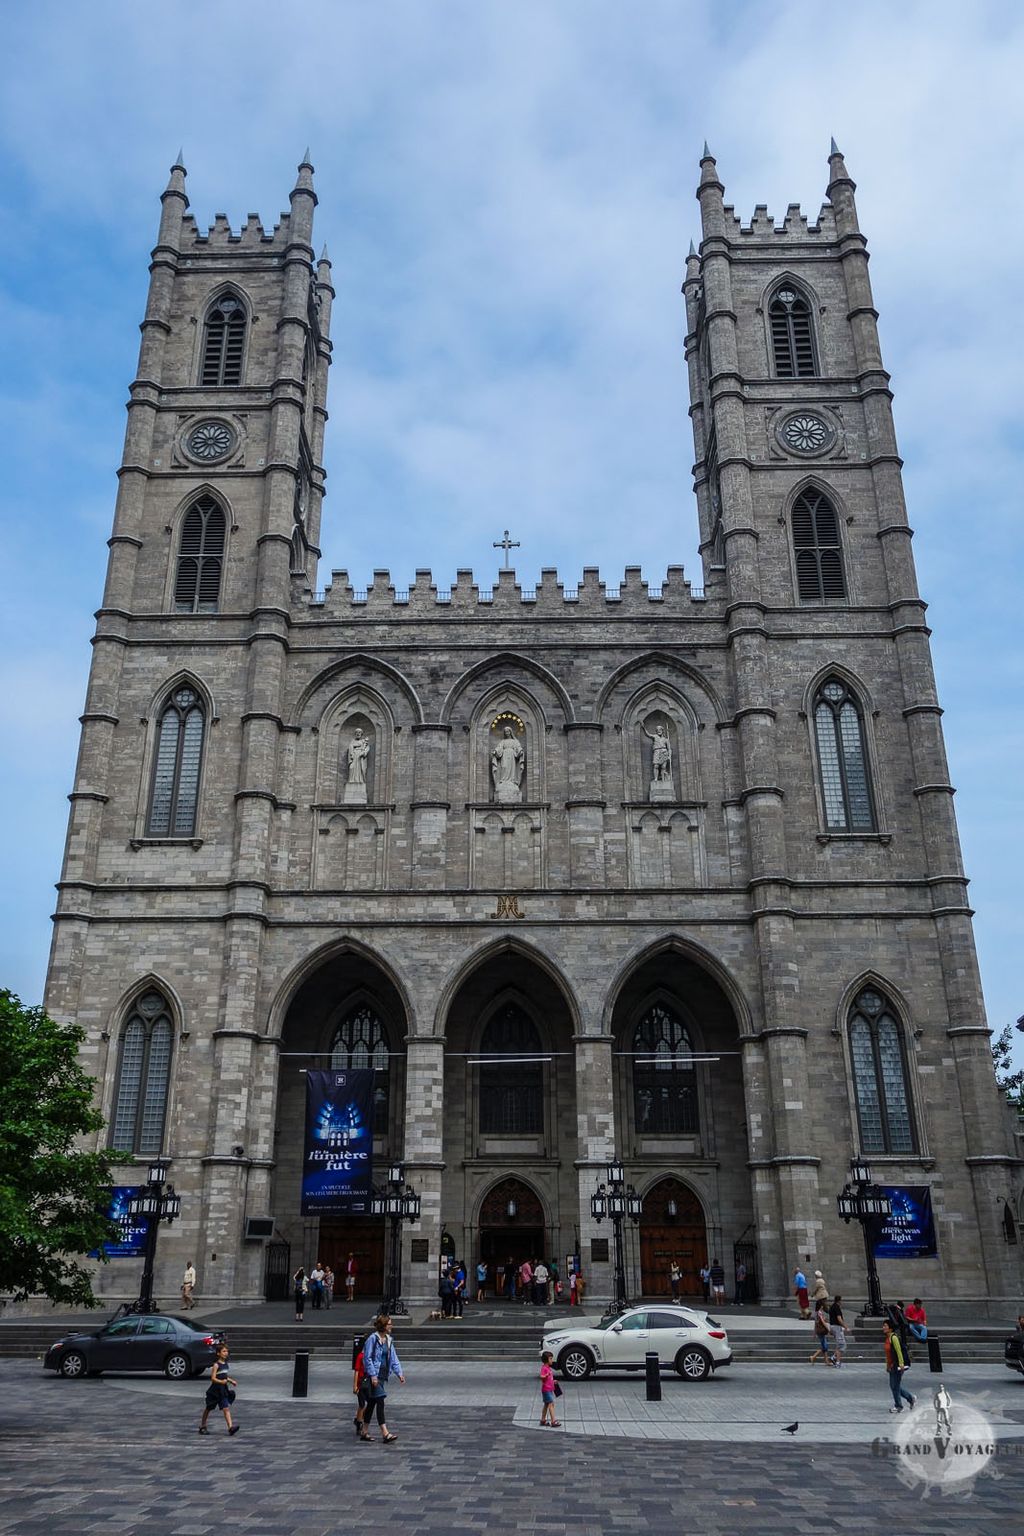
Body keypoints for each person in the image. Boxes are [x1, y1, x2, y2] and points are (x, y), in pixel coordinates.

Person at [362, 1314, 405, 1443]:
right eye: (389, 1324)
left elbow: (393, 1358)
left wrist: (399, 1373)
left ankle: (364, 1430)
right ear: (384, 1326)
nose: (391, 1326)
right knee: (380, 1400)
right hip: (374, 1376)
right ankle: (385, 1433)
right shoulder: (372, 1339)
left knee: (372, 1403)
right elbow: (367, 1358)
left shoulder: (389, 1340)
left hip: (383, 1376)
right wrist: (373, 1375)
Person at [199, 1343, 239, 1436]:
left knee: (226, 1408)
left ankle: (230, 1427)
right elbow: (213, 1378)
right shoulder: (216, 1365)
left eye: (226, 1351)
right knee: (208, 1408)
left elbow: (224, 1375)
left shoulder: (225, 1364)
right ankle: (203, 1426)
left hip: (223, 1390)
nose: (226, 1353)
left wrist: (231, 1381)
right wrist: (221, 1382)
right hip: (215, 1391)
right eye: (224, 1351)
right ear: (218, 1353)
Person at [883, 1319, 917, 1414]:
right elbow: (888, 1354)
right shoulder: (888, 1338)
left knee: (895, 1386)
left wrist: (901, 1364)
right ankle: (910, 1398)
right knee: (894, 1386)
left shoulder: (894, 1338)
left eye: (885, 1326)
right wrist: (888, 1365)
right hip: (892, 1366)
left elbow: (899, 1351)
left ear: (890, 1328)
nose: (883, 1327)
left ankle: (899, 1406)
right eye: (883, 1326)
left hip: (897, 1366)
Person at [352, 1337, 373, 1441]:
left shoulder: (369, 1356)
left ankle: (358, 1419)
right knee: (362, 1404)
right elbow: (356, 1371)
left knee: (369, 1403)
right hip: (361, 1383)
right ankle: (359, 1423)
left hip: (368, 1383)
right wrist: (355, 1385)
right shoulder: (361, 1356)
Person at [809, 1299, 837, 1365]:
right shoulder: (819, 1312)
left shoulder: (817, 1313)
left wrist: (814, 1332)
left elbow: (816, 1324)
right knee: (824, 1347)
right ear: (821, 1306)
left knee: (824, 1346)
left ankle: (826, 1361)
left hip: (819, 1331)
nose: (823, 1306)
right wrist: (829, 1329)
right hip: (821, 1331)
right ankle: (813, 1356)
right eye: (822, 1305)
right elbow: (823, 1322)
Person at [539, 1350, 561, 1428]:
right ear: (546, 1360)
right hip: (546, 1390)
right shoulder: (544, 1368)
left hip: (549, 1389)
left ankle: (543, 1420)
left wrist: (553, 1381)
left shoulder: (548, 1368)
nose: (552, 1360)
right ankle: (553, 1421)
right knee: (551, 1404)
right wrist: (546, 1375)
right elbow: (542, 1376)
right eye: (550, 1358)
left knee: (546, 1404)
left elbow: (549, 1378)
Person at [829, 1293, 848, 1367]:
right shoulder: (837, 1307)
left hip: (833, 1326)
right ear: (839, 1301)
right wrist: (845, 1326)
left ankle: (834, 1357)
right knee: (841, 1345)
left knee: (841, 1344)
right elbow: (839, 1319)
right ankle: (837, 1361)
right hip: (837, 1327)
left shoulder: (832, 1307)